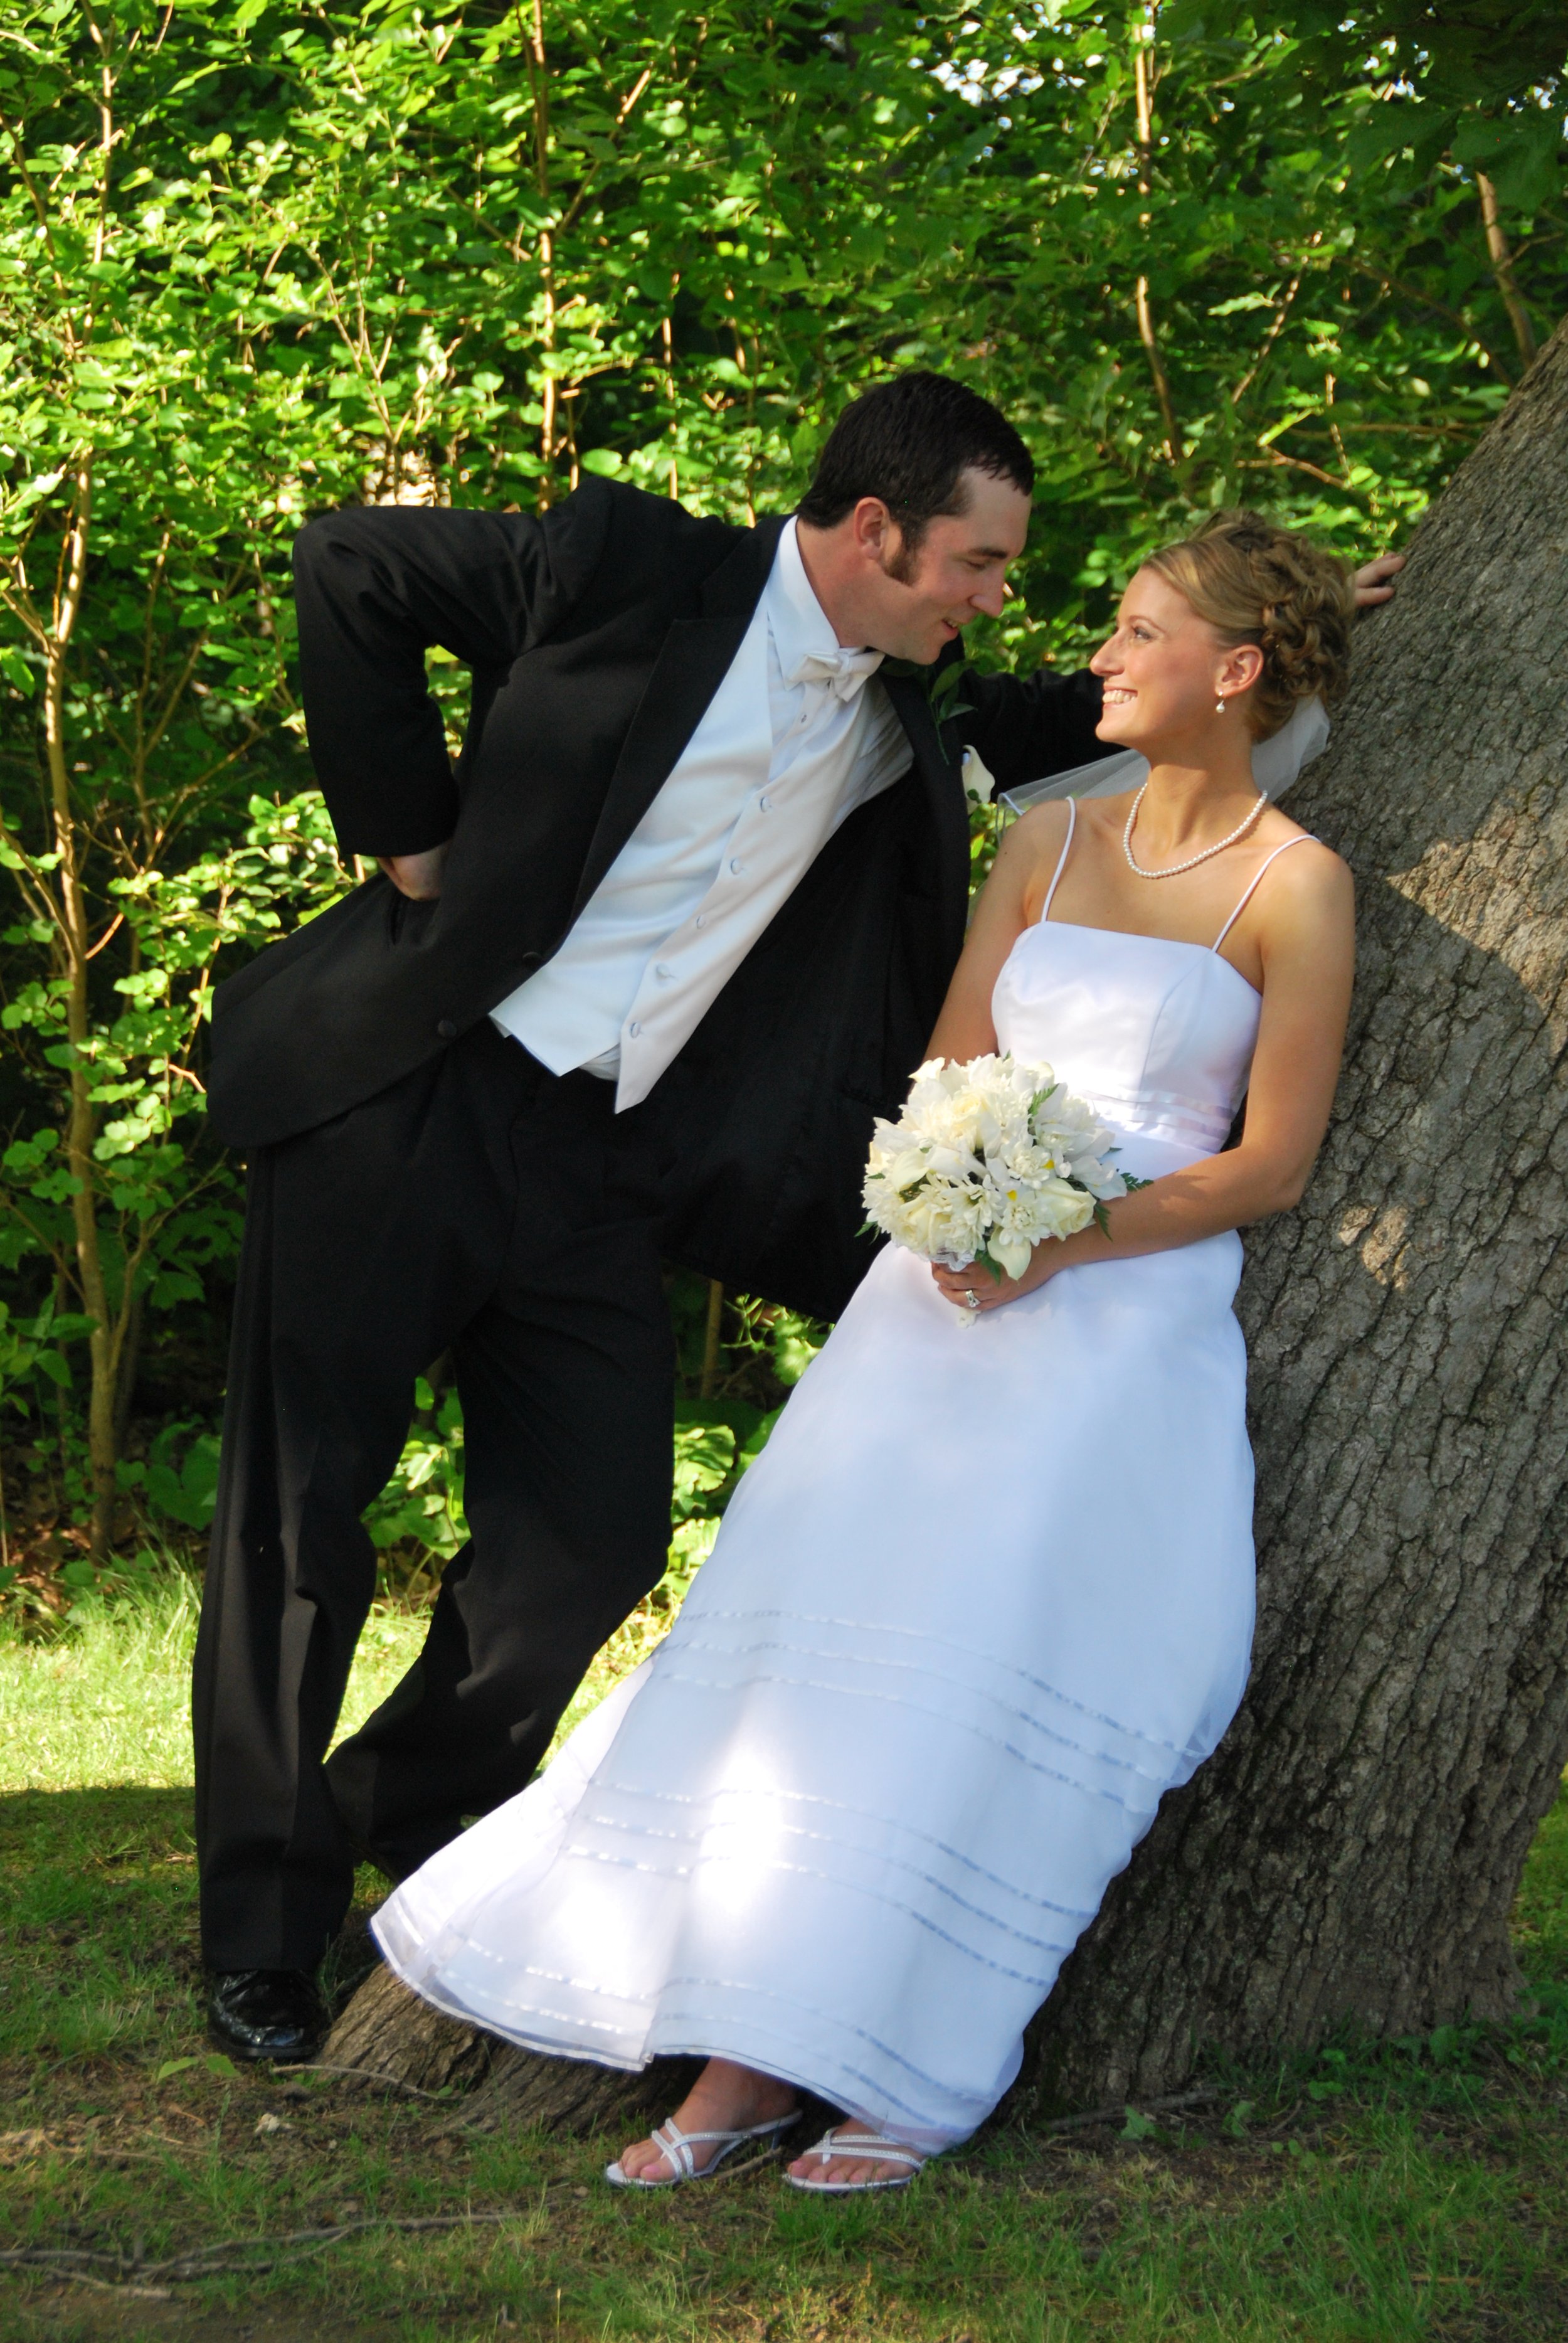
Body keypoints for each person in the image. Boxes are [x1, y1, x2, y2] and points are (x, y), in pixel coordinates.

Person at [370, 511, 1359, 2192]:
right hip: (933, 1310)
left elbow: (1268, 1161)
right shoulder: (1041, 853)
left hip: (1118, 1333)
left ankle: (894, 2063)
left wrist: (1065, 1236)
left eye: (1134, 632)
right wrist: (958, 1212)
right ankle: (740, 2061)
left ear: (1235, 670)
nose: (1099, 656)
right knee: (815, 1652)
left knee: (975, 1680)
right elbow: (952, 1062)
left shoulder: (1296, 886)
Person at [192, 373, 1120, 2064]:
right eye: (976, 564)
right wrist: (406, 842)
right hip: (405, 1095)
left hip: (607, 1163)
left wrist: (1273, 637)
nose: (995, 596)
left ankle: (389, 1840)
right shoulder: (621, 568)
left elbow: (1034, 725)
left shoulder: (903, 714)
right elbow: (350, 567)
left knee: (592, 1543)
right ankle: (259, 1933)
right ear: (868, 530)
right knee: (297, 1519)